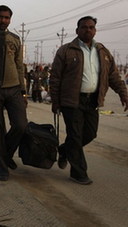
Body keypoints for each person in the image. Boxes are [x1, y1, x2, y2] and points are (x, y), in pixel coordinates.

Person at [50, 16, 128, 185]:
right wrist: (55, 101)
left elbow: (113, 76)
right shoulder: (66, 50)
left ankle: (64, 150)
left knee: (90, 133)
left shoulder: (103, 51)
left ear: (95, 30)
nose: (88, 30)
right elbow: (55, 78)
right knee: (76, 135)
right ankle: (79, 173)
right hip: (72, 100)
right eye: (84, 27)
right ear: (77, 30)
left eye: (91, 27)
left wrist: (123, 94)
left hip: (92, 100)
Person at [0, 5, 28, 181]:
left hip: (14, 89)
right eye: (0, 17)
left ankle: (5, 155)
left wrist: (23, 91)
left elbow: (19, 65)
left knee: (21, 125)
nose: (3, 20)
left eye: (6, 18)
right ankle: (1, 167)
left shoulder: (15, 39)